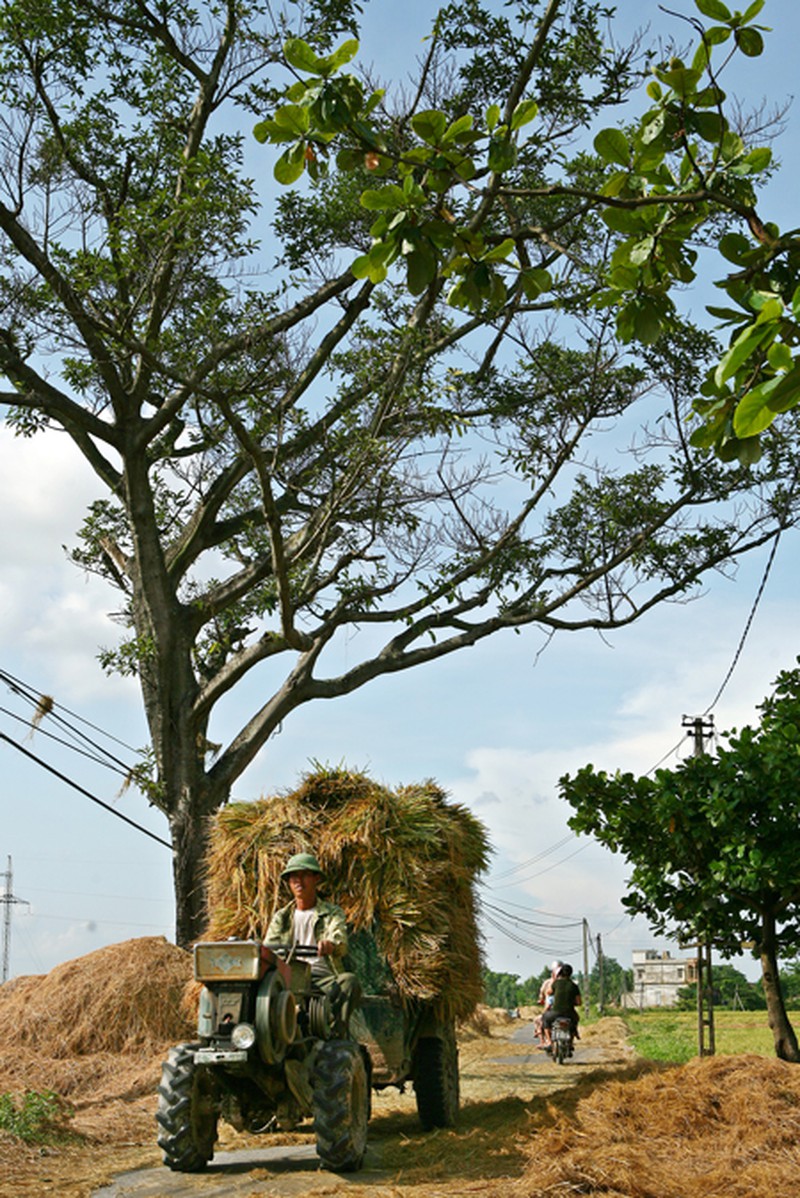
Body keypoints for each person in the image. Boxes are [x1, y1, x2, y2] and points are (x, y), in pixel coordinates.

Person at [266, 851, 361, 1034]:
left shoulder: (332, 913)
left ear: (316, 879)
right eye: (294, 877)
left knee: (349, 982)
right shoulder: (282, 917)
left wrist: (330, 945)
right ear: (289, 883)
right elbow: (270, 947)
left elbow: (340, 940)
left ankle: (337, 1032)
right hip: (290, 976)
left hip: (322, 977)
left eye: (304, 875)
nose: (299, 882)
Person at [541, 962, 581, 1044]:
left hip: (556, 1013)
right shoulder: (574, 986)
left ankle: (549, 1041)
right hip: (569, 1013)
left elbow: (548, 992)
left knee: (545, 1018)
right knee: (575, 1020)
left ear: (560, 972)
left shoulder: (556, 983)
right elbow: (579, 1002)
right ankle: (572, 1038)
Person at [534, 960, 562, 1048]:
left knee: (539, 1021)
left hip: (551, 1011)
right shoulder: (569, 983)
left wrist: (541, 1000)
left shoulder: (548, 984)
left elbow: (542, 997)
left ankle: (544, 1041)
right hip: (566, 1011)